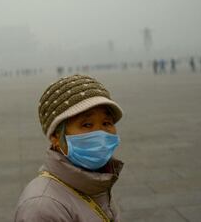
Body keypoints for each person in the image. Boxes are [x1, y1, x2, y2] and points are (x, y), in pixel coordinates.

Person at [15, 74, 124, 222]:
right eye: (87, 125)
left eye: (106, 123)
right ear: (55, 137)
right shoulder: (42, 208)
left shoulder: (97, 182)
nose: (101, 133)